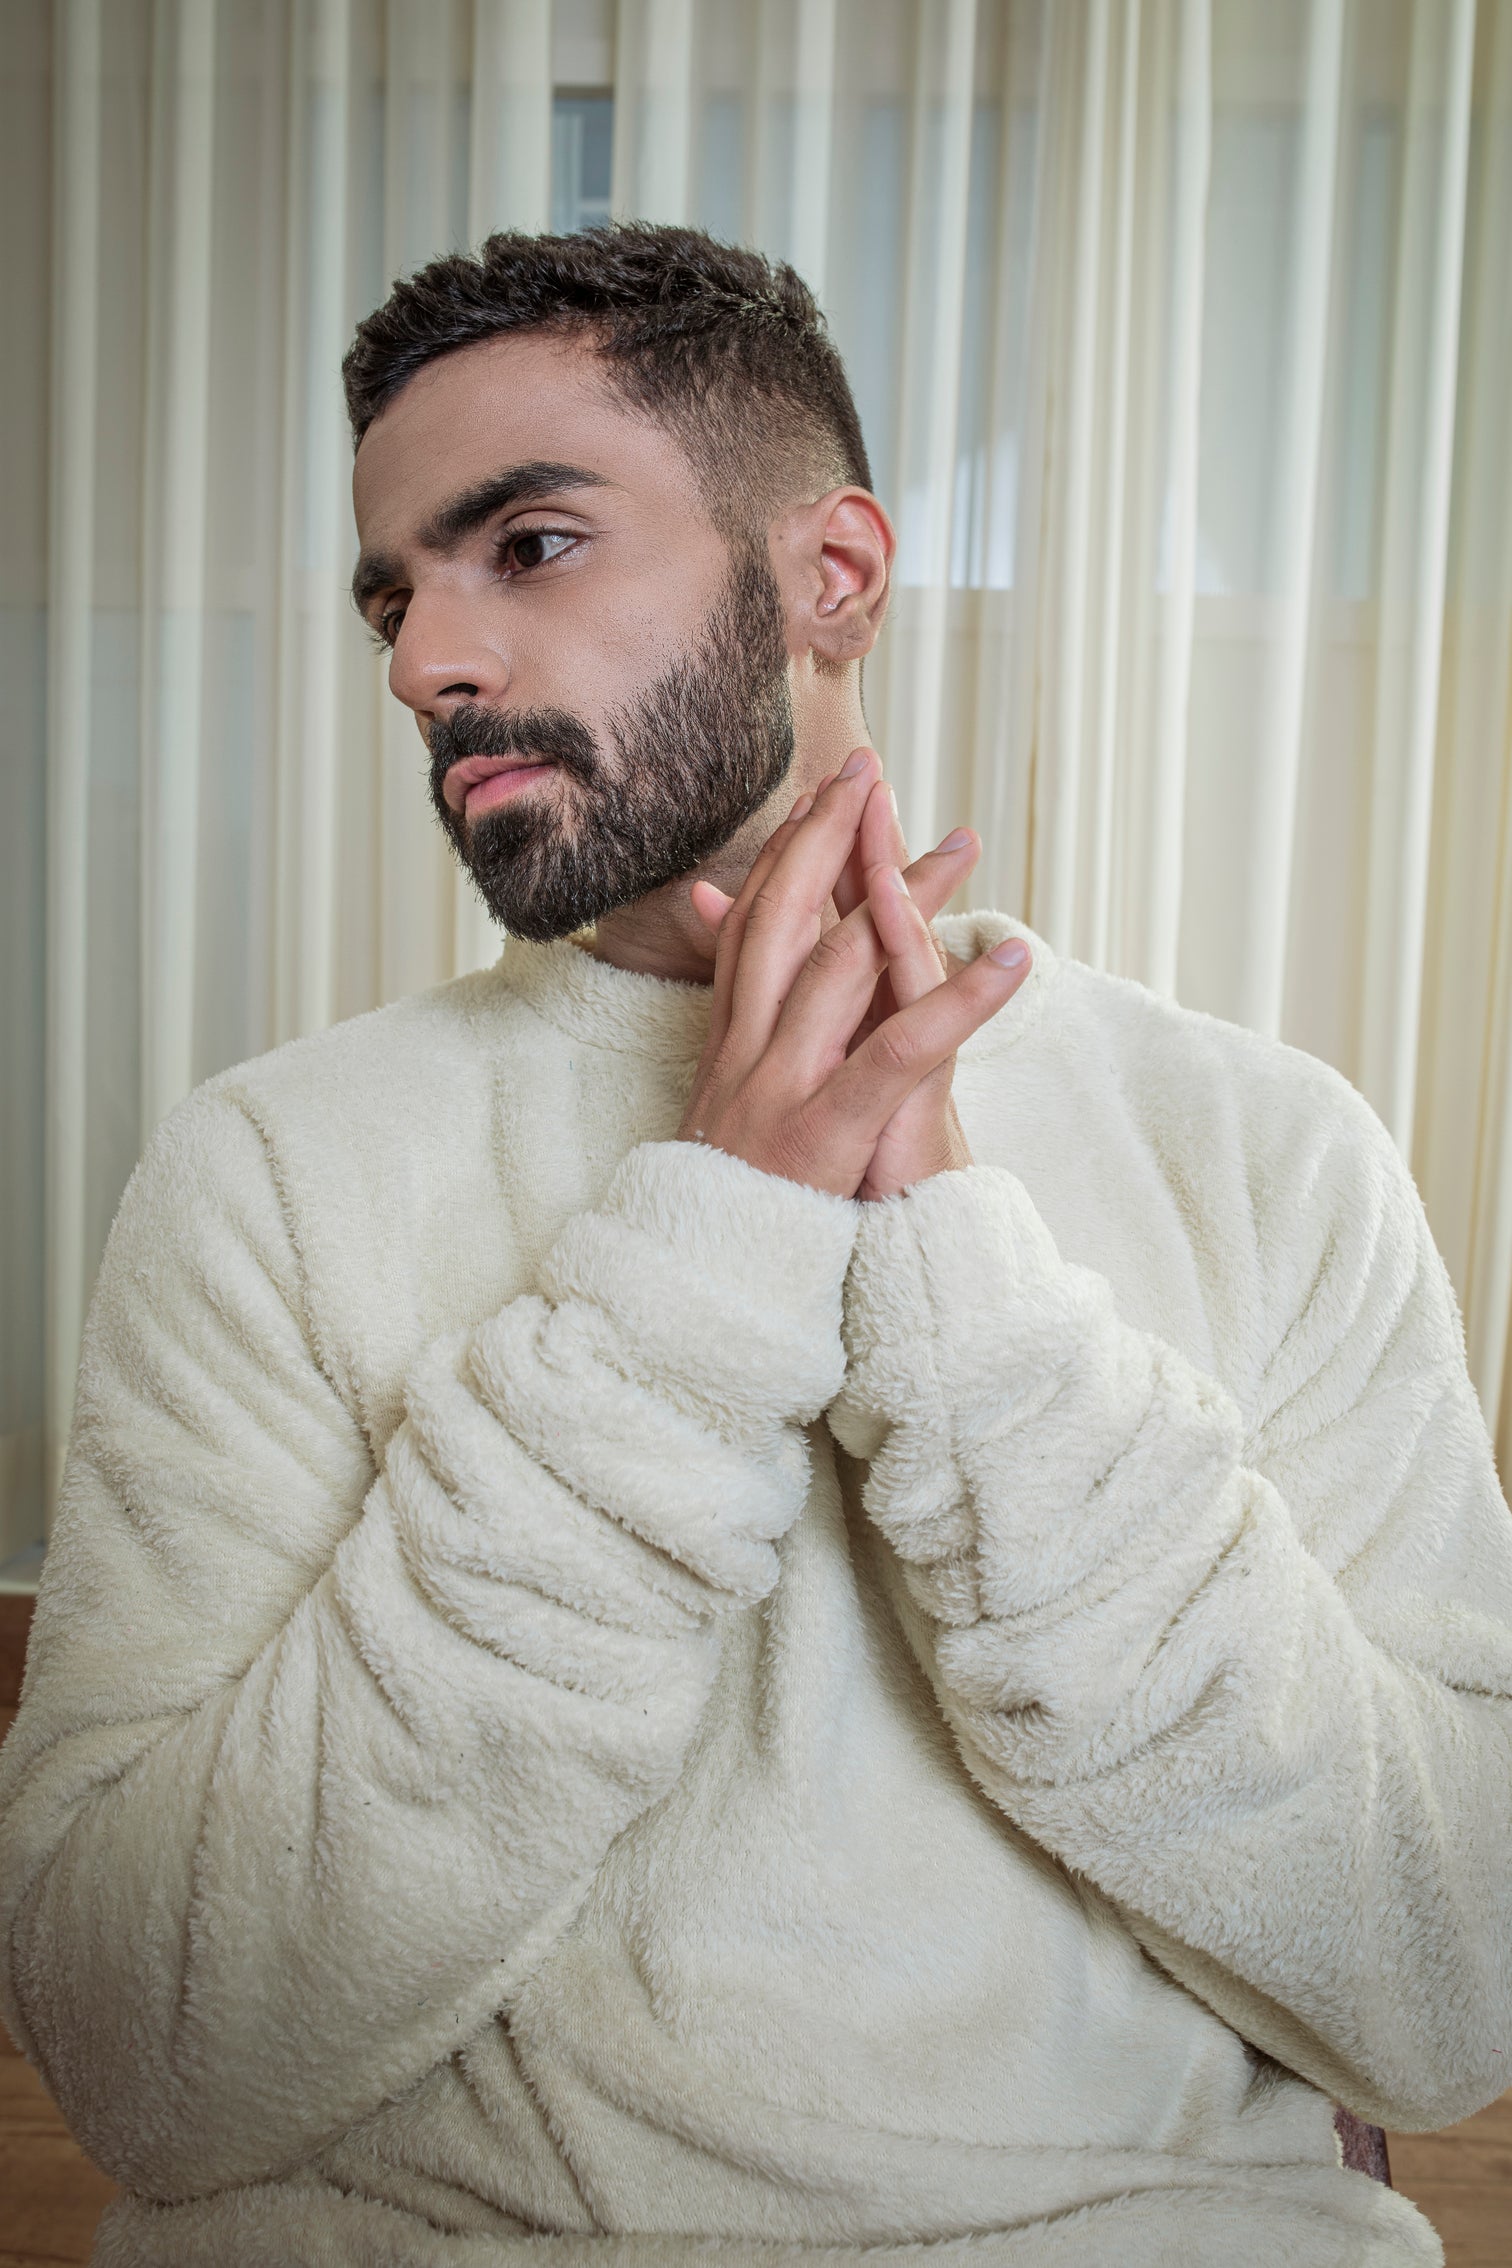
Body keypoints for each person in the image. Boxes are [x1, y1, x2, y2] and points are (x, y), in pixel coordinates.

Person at [1, 225, 1509, 2268]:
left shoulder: (1269, 1148)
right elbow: (149, 2059)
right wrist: (705, 1258)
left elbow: (1443, 1993)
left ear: (837, 576)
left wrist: (964, 1297)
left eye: (524, 544)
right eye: (393, 589)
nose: (420, 664)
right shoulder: (266, 1166)